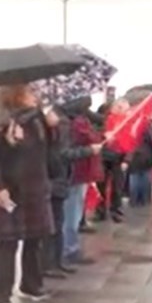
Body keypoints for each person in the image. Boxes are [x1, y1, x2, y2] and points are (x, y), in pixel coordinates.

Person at [0, 84, 55, 303]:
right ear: (17, 96)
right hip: (12, 189)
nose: (35, 96)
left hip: (36, 188)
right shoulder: (2, 122)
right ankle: (2, 294)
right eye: (30, 92)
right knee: (8, 243)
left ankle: (31, 285)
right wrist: (9, 144)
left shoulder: (38, 120)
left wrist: (53, 128)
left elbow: (48, 152)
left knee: (34, 240)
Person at [43, 104, 103, 278]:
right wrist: (89, 150)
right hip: (61, 177)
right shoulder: (63, 124)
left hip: (65, 175)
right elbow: (62, 153)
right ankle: (60, 256)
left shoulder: (67, 122)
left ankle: (58, 259)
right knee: (64, 218)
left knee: (66, 217)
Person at [63, 96, 104, 266]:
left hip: (79, 172)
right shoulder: (74, 122)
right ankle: (69, 250)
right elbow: (68, 150)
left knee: (74, 211)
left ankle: (69, 248)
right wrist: (90, 148)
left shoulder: (79, 119)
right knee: (71, 213)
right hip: (75, 173)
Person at [97, 99, 130, 222]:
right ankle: (101, 210)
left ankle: (115, 210)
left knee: (117, 186)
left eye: (123, 108)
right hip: (104, 156)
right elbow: (95, 133)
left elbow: (132, 143)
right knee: (101, 185)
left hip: (119, 158)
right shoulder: (103, 120)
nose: (120, 109)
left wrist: (127, 160)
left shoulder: (128, 123)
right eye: (118, 106)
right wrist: (104, 135)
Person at [127, 119, 152, 206]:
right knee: (145, 178)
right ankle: (144, 201)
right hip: (145, 156)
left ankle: (134, 200)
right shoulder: (145, 125)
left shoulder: (129, 124)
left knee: (134, 178)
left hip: (132, 156)